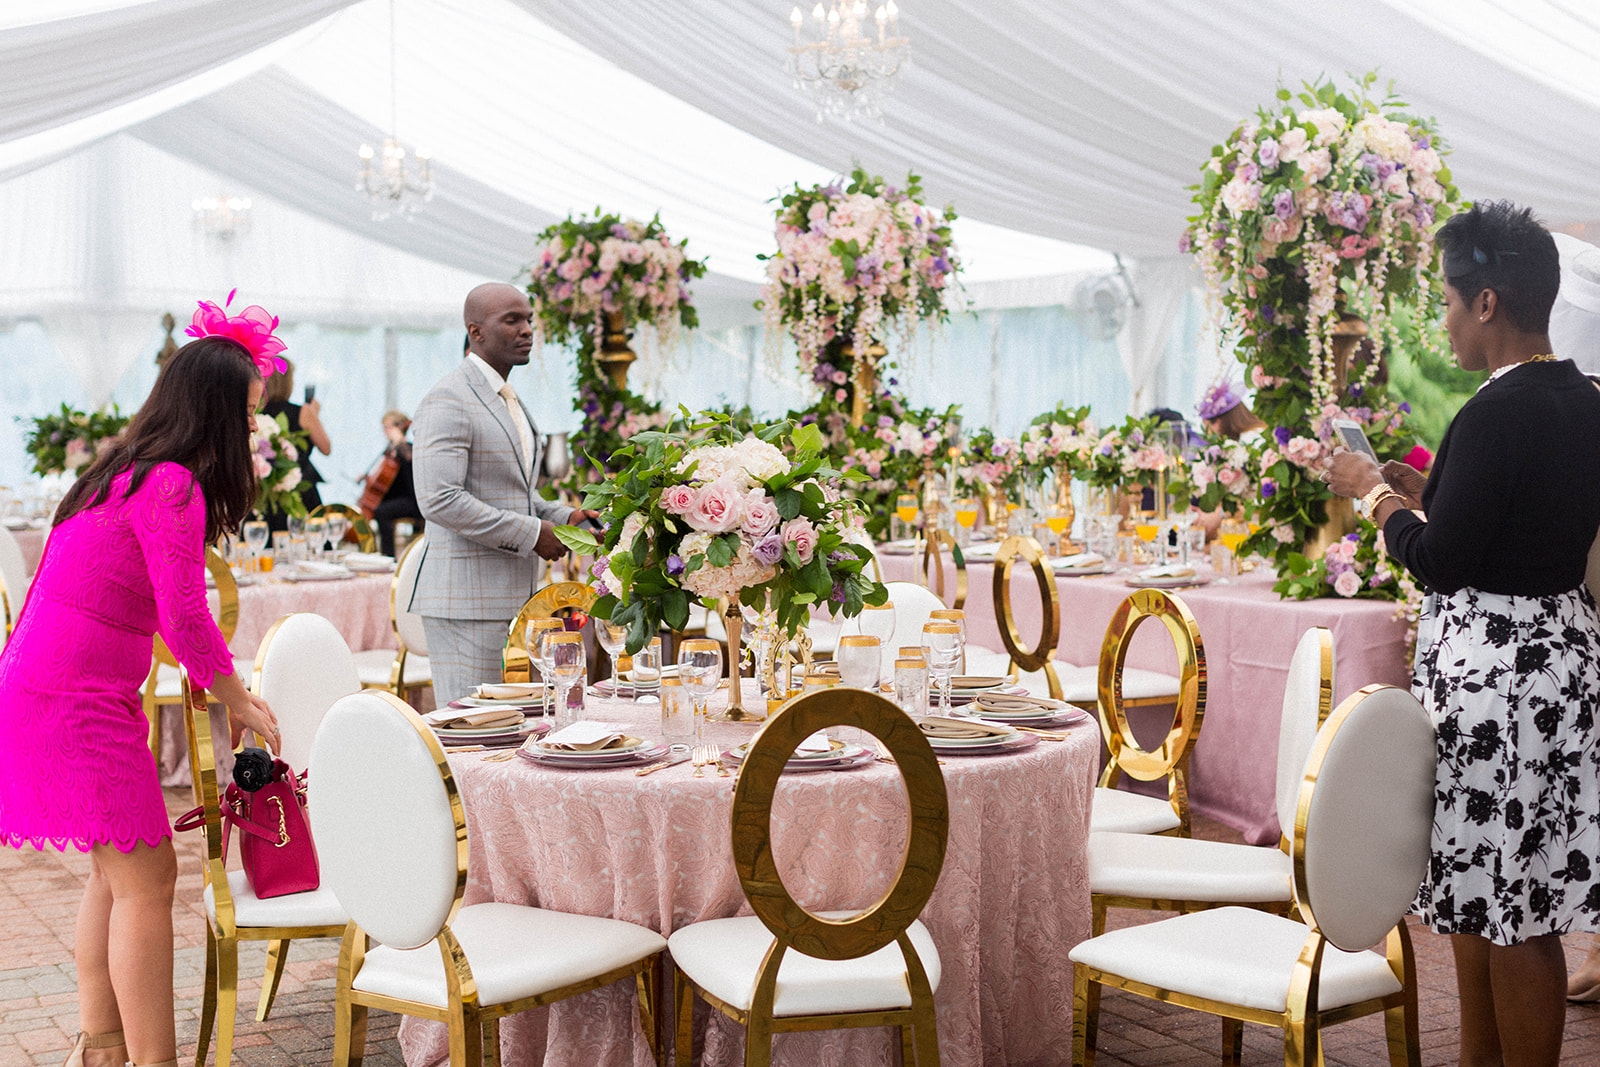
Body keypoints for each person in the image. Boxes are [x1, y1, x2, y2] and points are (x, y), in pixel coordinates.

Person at [1325, 201, 1600, 1067]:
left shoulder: (1497, 411)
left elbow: (1442, 561)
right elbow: (1514, 520)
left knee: (1513, 912)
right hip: (1552, 663)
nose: (1443, 320)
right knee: (1491, 900)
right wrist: (1425, 492)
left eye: (1447, 301)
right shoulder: (1582, 398)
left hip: (1501, 684)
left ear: (1487, 301)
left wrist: (1374, 496)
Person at [0, 316, 282, 1067]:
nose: (253, 429)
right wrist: (237, 697)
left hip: (46, 686)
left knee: (118, 870)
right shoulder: (173, 485)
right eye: (248, 413)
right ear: (215, 411)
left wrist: (217, 684)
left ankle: (101, 1048)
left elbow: (141, 604)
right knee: (148, 878)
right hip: (75, 697)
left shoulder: (118, 470)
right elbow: (185, 616)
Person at [411, 283, 598, 705]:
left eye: (529, 319)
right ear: (475, 331)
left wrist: (565, 518)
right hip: (466, 604)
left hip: (511, 598)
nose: (527, 329)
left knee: (509, 728)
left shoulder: (505, 397)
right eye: (511, 320)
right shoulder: (448, 398)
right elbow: (439, 499)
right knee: (473, 729)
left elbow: (514, 493)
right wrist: (533, 534)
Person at [260, 358, 329, 531]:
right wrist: (315, 416)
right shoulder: (303, 412)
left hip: (265, 492)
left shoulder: (256, 413)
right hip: (300, 490)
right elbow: (326, 448)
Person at [368, 410, 424, 557]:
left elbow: (410, 460)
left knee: (381, 512)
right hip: (396, 498)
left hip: (412, 500)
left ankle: (388, 556)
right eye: (384, 427)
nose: (385, 431)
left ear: (399, 427)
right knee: (376, 508)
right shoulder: (390, 450)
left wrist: (400, 441)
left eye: (388, 427)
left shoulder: (408, 448)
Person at [1197, 380, 1266, 441]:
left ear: (1218, 422)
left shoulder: (1250, 437)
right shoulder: (1250, 435)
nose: (1207, 435)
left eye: (1206, 427)